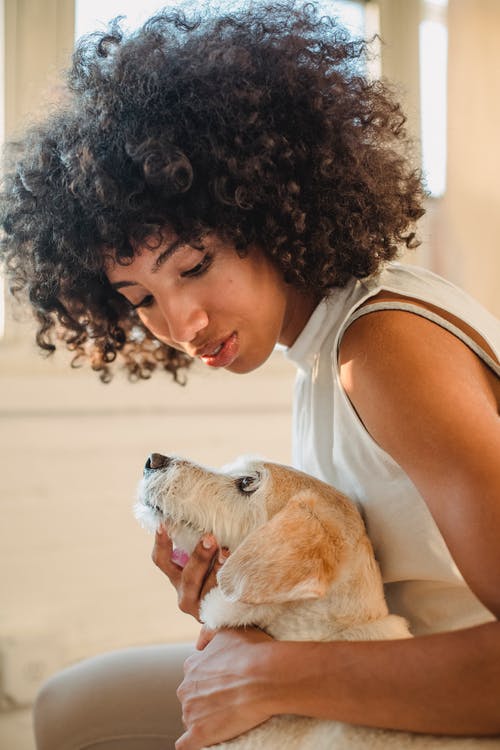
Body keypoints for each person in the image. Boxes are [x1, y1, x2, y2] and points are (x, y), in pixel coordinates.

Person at [1, 4, 499, 749]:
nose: (180, 324)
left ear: (267, 207)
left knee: (82, 714)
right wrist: (253, 593)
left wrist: (273, 675)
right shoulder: (327, 348)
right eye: (140, 299)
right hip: (392, 667)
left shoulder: (385, 351)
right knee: (74, 705)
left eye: (195, 266)